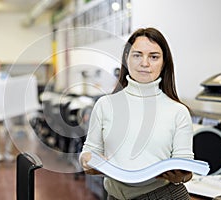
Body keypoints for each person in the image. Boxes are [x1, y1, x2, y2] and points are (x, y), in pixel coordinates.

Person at [79, 27, 194, 200]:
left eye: (153, 57)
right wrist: (86, 161)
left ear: (164, 63)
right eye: (137, 55)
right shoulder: (105, 105)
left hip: (164, 196)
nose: (145, 63)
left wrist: (180, 176)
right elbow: (89, 152)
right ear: (126, 58)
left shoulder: (178, 111)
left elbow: (186, 169)